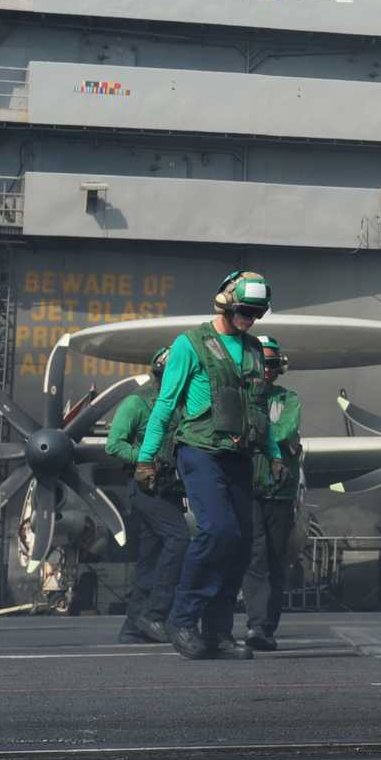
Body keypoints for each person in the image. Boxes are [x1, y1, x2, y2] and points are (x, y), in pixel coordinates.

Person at [135, 271, 282, 661]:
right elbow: (166, 404)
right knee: (217, 531)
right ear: (226, 303)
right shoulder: (190, 344)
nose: (250, 319)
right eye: (245, 311)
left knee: (239, 544)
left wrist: (275, 454)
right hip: (199, 451)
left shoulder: (252, 348)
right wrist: (147, 458)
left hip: (240, 456)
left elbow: (259, 408)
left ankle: (217, 633)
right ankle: (182, 620)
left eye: (257, 313)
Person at [106, 348, 187, 645]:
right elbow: (114, 445)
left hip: (168, 488)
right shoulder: (136, 403)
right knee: (179, 539)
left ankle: (132, 626)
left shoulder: (178, 405)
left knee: (150, 558)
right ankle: (154, 615)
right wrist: (146, 458)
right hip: (146, 486)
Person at [242, 336, 301, 651]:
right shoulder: (239, 397)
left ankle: (267, 625)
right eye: (260, 363)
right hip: (248, 488)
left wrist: (252, 433)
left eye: (271, 364)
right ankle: (258, 626)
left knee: (276, 560)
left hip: (280, 491)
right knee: (256, 556)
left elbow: (283, 430)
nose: (266, 369)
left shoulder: (288, 400)